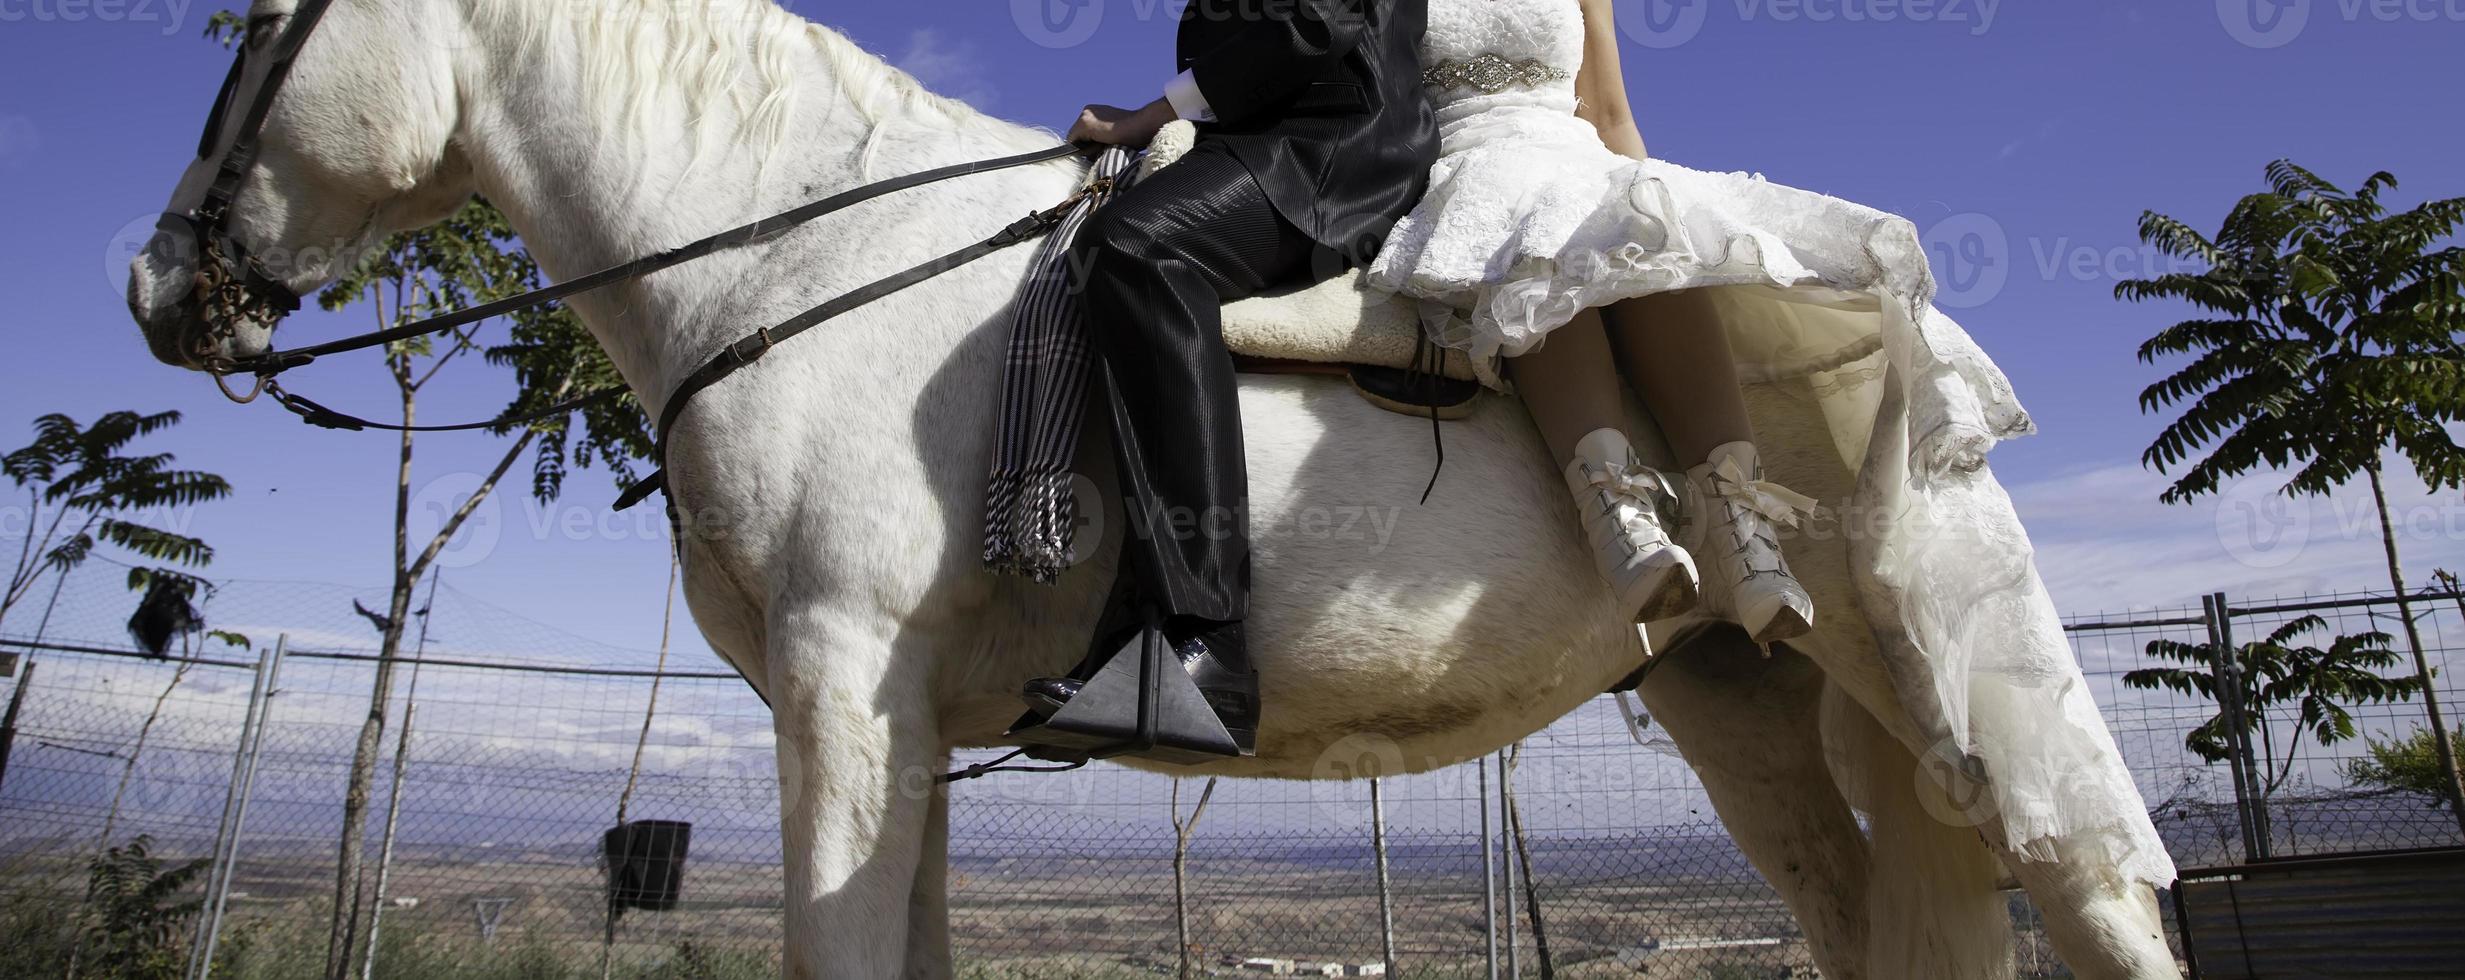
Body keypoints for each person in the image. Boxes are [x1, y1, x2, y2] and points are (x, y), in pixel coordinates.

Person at [1368, 0, 2175, 888]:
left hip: (1577, 162)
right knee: (1536, 244)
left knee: (1652, 227)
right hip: (1468, 168)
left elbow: (1605, 112)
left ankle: (1736, 518)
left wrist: (1657, 214)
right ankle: (1616, 509)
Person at [1015, 0, 1440, 758]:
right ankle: (1133, 639)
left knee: (1137, 247)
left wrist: (1147, 114)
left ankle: (1209, 644)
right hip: (1260, 136)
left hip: (1333, 148)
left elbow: (1318, 23)